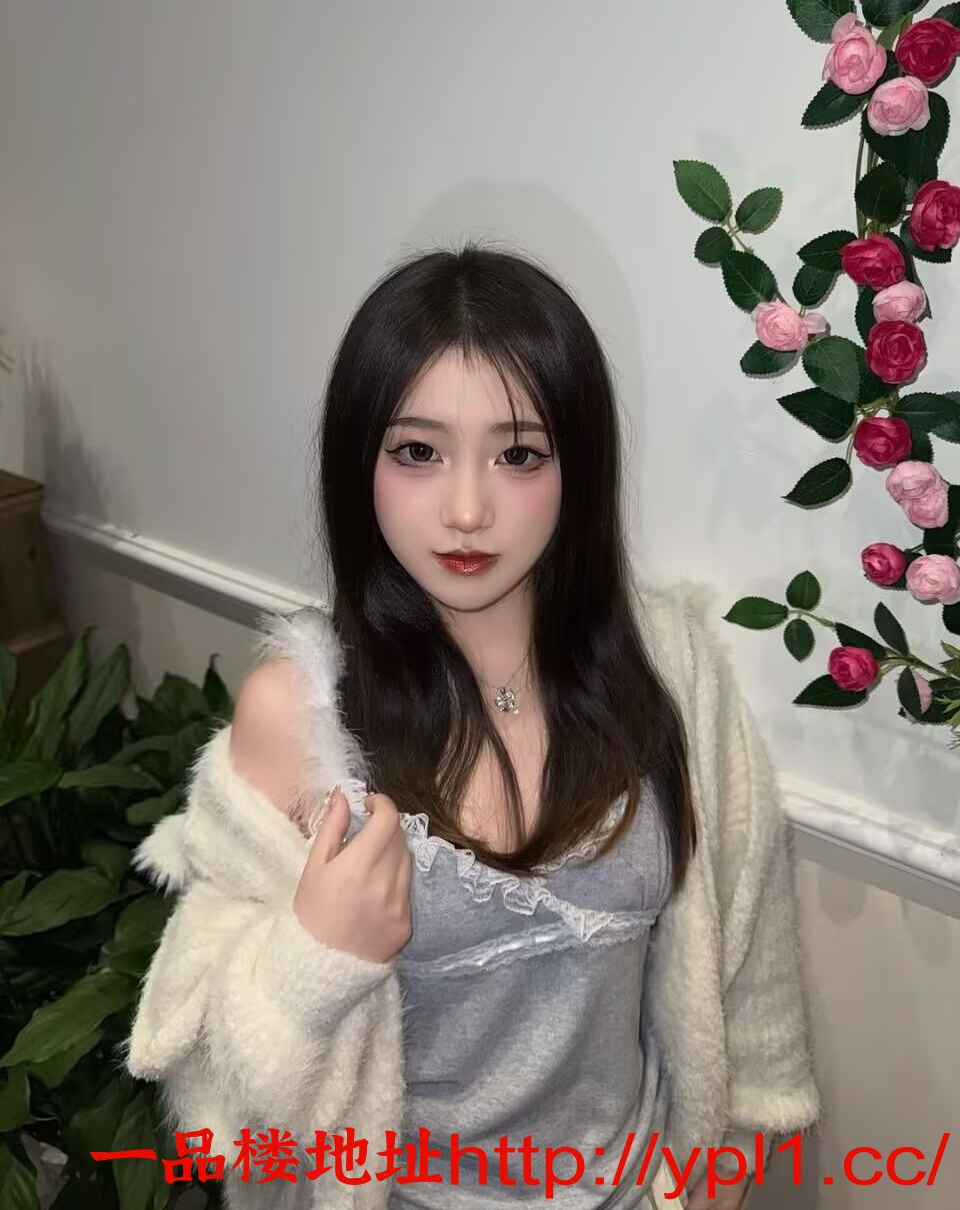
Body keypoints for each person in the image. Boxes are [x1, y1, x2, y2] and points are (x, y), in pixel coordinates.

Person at [123, 242, 821, 1210]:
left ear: (577, 465)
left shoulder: (670, 668)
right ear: (360, 463)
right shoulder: (303, 715)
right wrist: (312, 959)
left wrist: (717, 1177)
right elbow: (214, 1107)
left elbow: (750, 963)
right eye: (418, 451)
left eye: (518, 454)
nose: (465, 510)